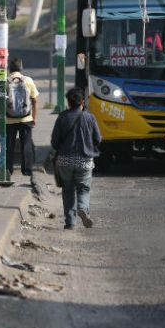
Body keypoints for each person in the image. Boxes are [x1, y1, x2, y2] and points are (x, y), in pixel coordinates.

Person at [50, 87, 102, 230]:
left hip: (65, 161)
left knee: (67, 190)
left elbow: (54, 142)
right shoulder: (89, 117)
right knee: (84, 189)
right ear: (82, 102)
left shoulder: (62, 117)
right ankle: (83, 208)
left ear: (68, 102)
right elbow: (98, 139)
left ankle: (70, 223)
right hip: (84, 161)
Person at [6, 57, 40, 176]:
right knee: (26, 144)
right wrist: (34, 117)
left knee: (9, 145)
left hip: (9, 119)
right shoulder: (28, 80)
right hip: (26, 118)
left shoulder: (5, 81)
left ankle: (8, 169)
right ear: (21, 68)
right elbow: (35, 100)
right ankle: (26, 170)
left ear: (10, 68)